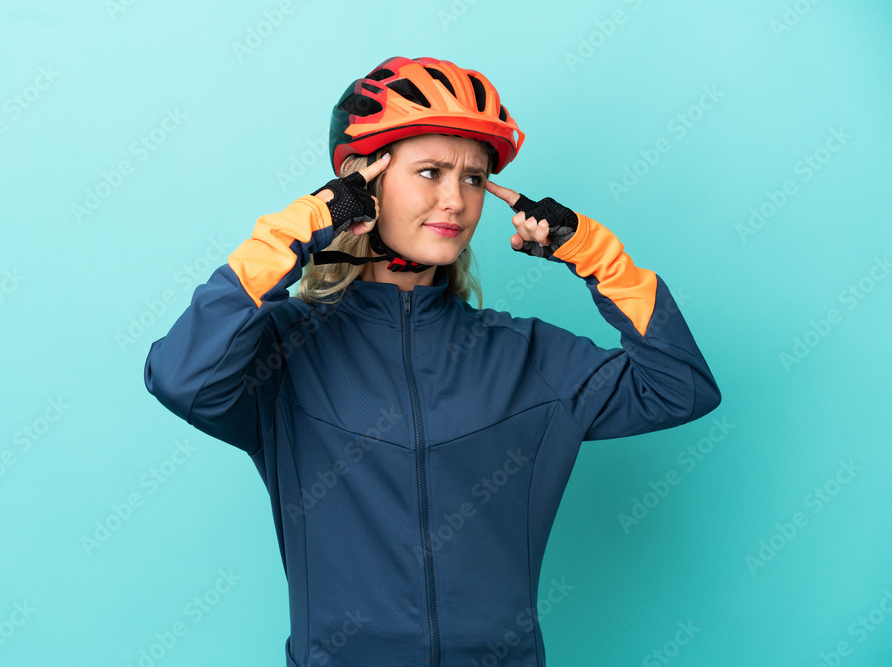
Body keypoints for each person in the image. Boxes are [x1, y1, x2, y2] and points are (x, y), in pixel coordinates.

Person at [144, 55, 721, 667]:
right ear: (361, 184)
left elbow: (679, 386)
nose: (456, 200)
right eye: (430, 171)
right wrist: (297, 228)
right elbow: (183, 377)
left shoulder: (525, 355)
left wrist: (596, 255)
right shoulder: (284, 351)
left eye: (473, 178)